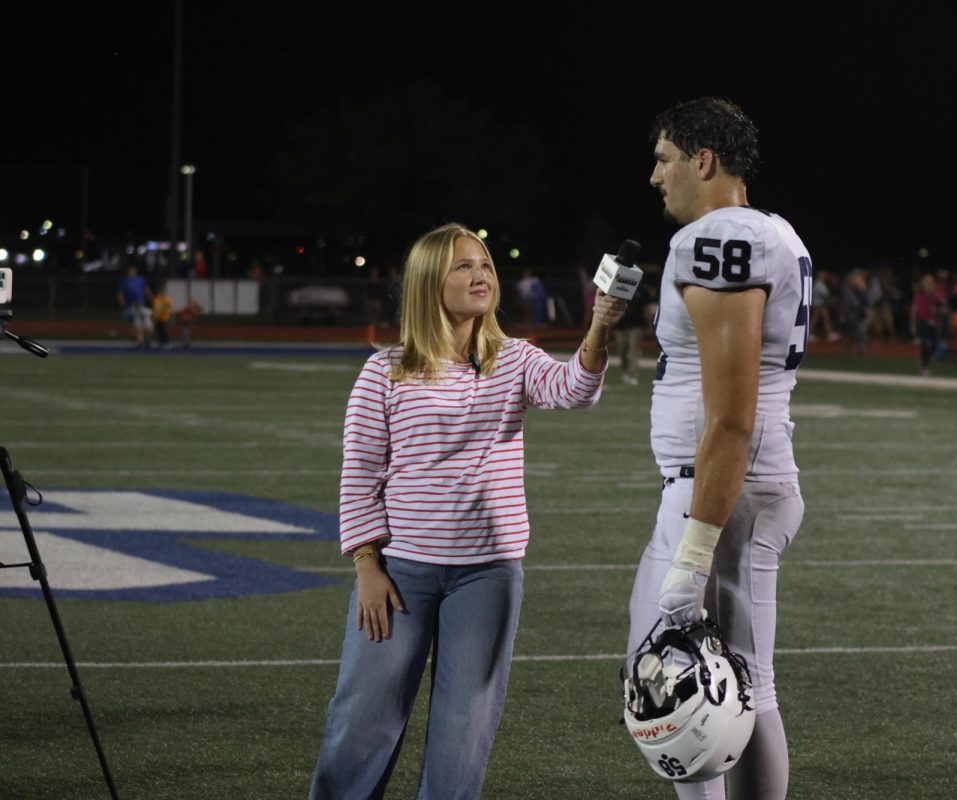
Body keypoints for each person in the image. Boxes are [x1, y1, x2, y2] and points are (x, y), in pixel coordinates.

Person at [309, 223, 626, 800]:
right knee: (360, 726)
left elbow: (574, 389)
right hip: (400, 573)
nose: (480, 275)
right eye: (463, 266)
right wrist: (366, 568)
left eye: (484, 265)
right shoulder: (385, 371)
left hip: (488, 575)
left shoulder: (515, 359)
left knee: (464, 735)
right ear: (431, 281)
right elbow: (359, 476)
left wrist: (598, 329)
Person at [628, 97, 808, 800]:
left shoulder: (717, 237)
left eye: (665, 158)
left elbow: (730, 416)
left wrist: (695, 550)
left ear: (704, 161)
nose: (656, 176)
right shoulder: (772, 232)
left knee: (679, 686)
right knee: (744, 679)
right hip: (739, 485)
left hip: (719, 490)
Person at [911, 273, 942, 375]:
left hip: (933, 322)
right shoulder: (918, 295)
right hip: (922, 322)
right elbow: (914, 310)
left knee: (934, 345)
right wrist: (913, 325)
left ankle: (924, 360)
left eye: (931, 282)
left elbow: (942, 308)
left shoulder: (936, 295)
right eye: (927, 282)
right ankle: (924, 366)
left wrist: (939, 310)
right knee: (925, 344)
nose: (929, 284)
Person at [116, 264, 152, 347]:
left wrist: (151, 297)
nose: (131, 272)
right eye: (130, 271)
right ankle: (139, 339)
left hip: (141, 306)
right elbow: (120, 293)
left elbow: (145, 289)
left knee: (144, 324)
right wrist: (122, 302)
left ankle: (143, 339)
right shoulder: (124, 281)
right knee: (134, 323)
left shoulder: (140, 279)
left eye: (133, 271)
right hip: (130, 306)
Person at [150, 283, 174, 349]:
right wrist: (154, 317)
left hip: (165, 318)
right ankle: (161, 342)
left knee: (164, 331)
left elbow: (170, 307)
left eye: (162, 291)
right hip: (158, 318)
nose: (161, 293)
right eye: (160, 291)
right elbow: (156, 309)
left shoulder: (166, 299)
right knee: (159, 331)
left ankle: (168, 343)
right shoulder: (156, 299)